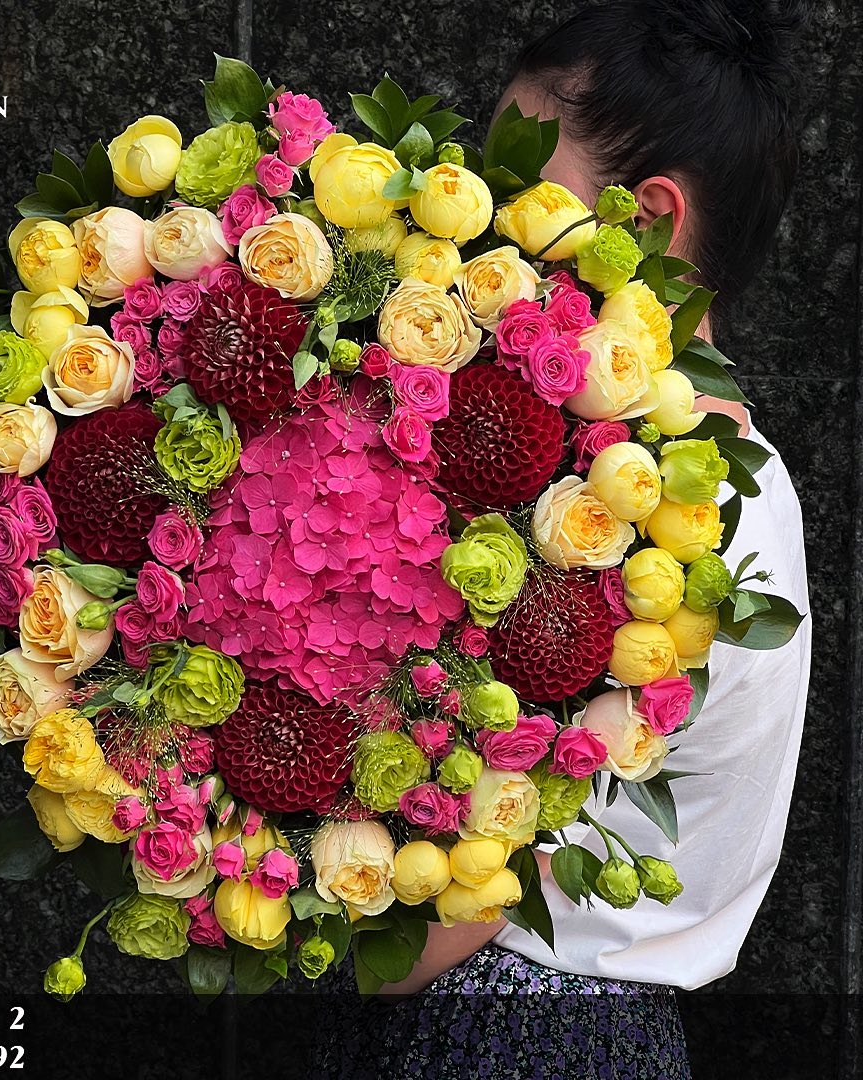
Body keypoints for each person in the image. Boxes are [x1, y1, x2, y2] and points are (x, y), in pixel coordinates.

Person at [318, 2, 812, 1077]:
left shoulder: (650, 521)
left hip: (498, 1028)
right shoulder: (725, 476)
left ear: (649, 219)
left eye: (522, 185)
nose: (480, 218)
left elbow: (430, 934)